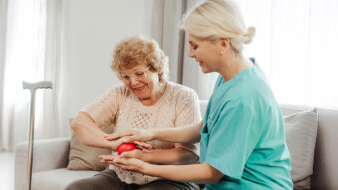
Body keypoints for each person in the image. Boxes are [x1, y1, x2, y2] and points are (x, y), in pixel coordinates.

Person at [101, 0, 293, 189]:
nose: (190, 54)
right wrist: (150, 133)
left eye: (195, 46)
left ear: (223, 44)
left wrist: (146, 167)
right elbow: (204, 127)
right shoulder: (231, 77)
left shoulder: (243, 97)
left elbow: (211, 173)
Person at [65, 35, 201, 190]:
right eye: (125, 76)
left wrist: (144, 157)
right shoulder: (120, 93)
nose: (133, 82)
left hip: (171, 178)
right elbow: (80, 122)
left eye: (139, 73)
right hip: (121, 176)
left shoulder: (184, 96)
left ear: (157, 68)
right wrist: (114, 143)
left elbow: (188, 155)